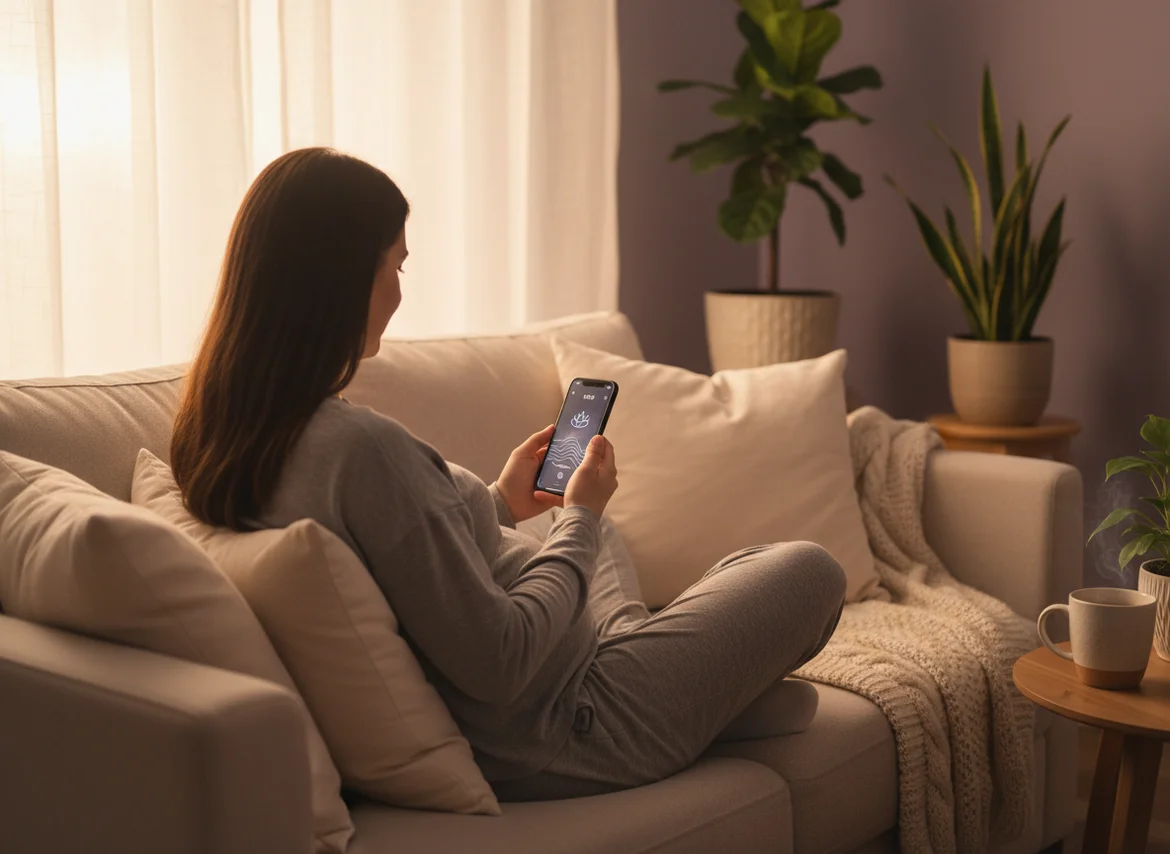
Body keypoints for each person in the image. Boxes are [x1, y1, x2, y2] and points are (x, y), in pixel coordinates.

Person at [170, 147, 846, 801]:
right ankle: (696, 694)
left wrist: (494, 504)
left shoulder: (230, 429)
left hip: (564, 676)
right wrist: (580, 516)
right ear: (345, 277)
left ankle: (694, 685)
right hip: (573, 722)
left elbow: (406, 559)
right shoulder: (358, 451)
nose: (399, 291)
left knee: (581, 533)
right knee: (807, 570)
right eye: (395, 266)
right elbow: (500, 661)